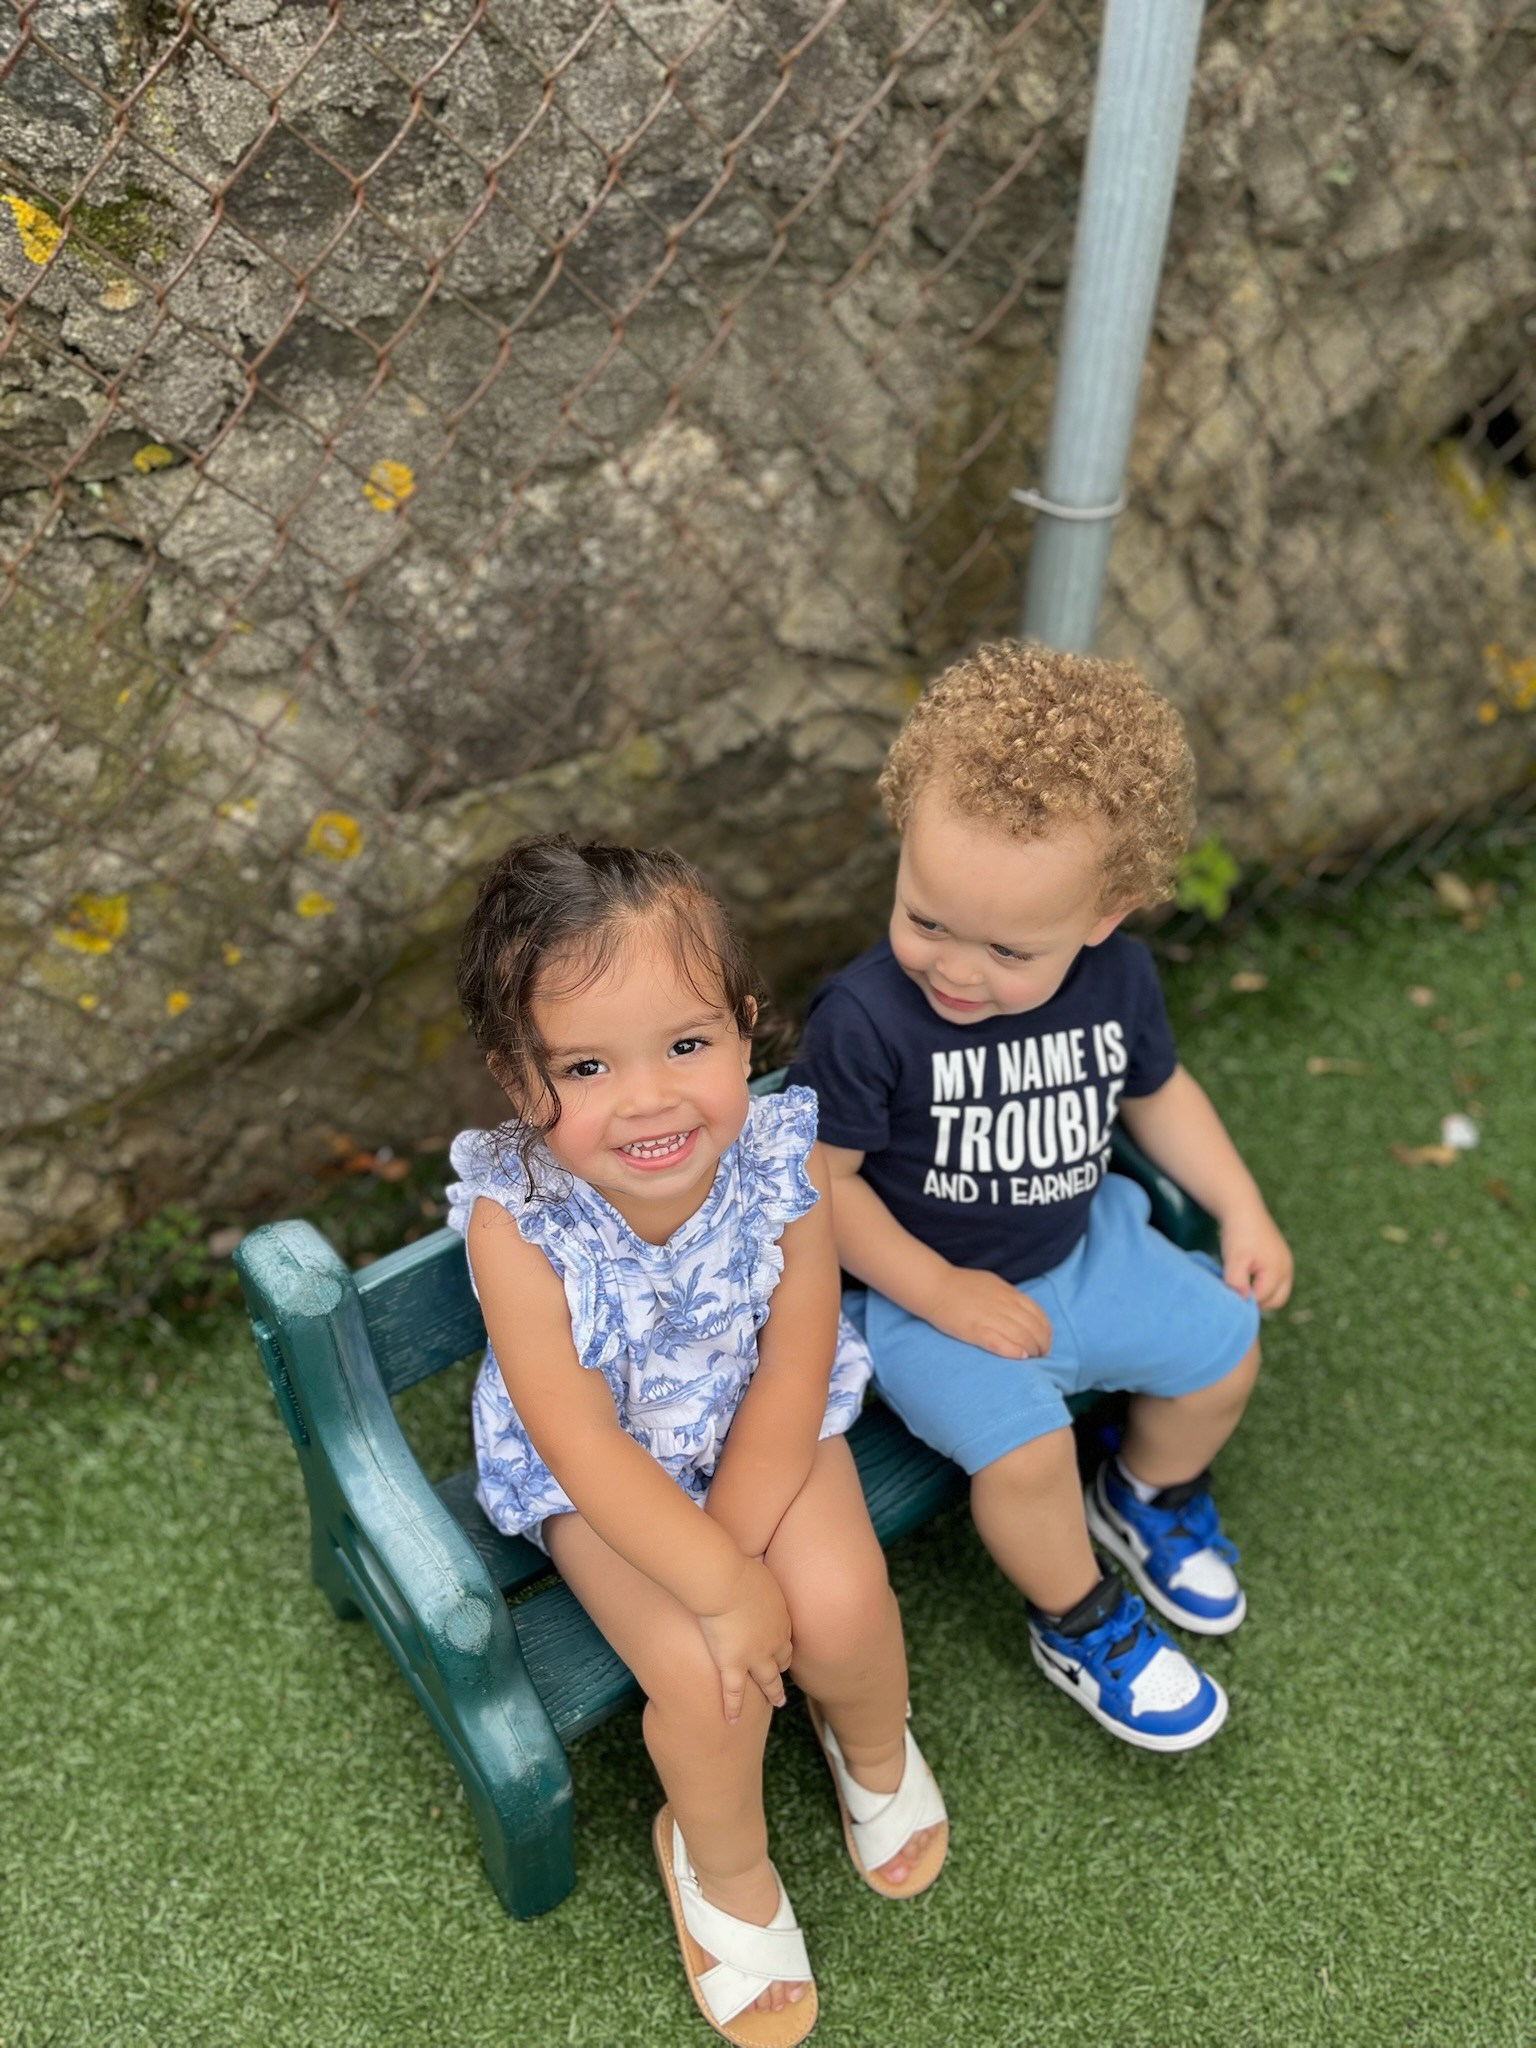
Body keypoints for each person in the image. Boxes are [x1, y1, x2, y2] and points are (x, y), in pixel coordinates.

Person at [448, 834, 946, 2048]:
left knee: (840, 1603)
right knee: (711, 1683)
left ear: (743, 1026)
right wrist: (719, 1587)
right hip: (600, 1477)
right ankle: (719, 1861)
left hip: (760, 1426)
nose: (652, 1096)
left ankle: (868, 1738)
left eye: (686, 1043)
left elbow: (793, 1359)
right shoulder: (517, 1227)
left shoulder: (780, 1162)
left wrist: (744, 1556)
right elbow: (578, 1439)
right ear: (522, 1082)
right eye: (586, 1063)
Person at [786, 643, 1294, 1754]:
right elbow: (821, 1192)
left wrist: (1242, 1206)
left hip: (1087, 1243)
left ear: (1106, 911)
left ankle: (1147, 1497)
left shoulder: (1118, 978)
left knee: (1226, 1348)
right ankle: (1080, 1616)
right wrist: (941, 1290)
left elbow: (1158, 1094)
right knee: (1024, 1462)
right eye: (925, 918)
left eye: (1010, 947)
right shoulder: (864, 1018)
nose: (957, 970)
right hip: (924, 1293)